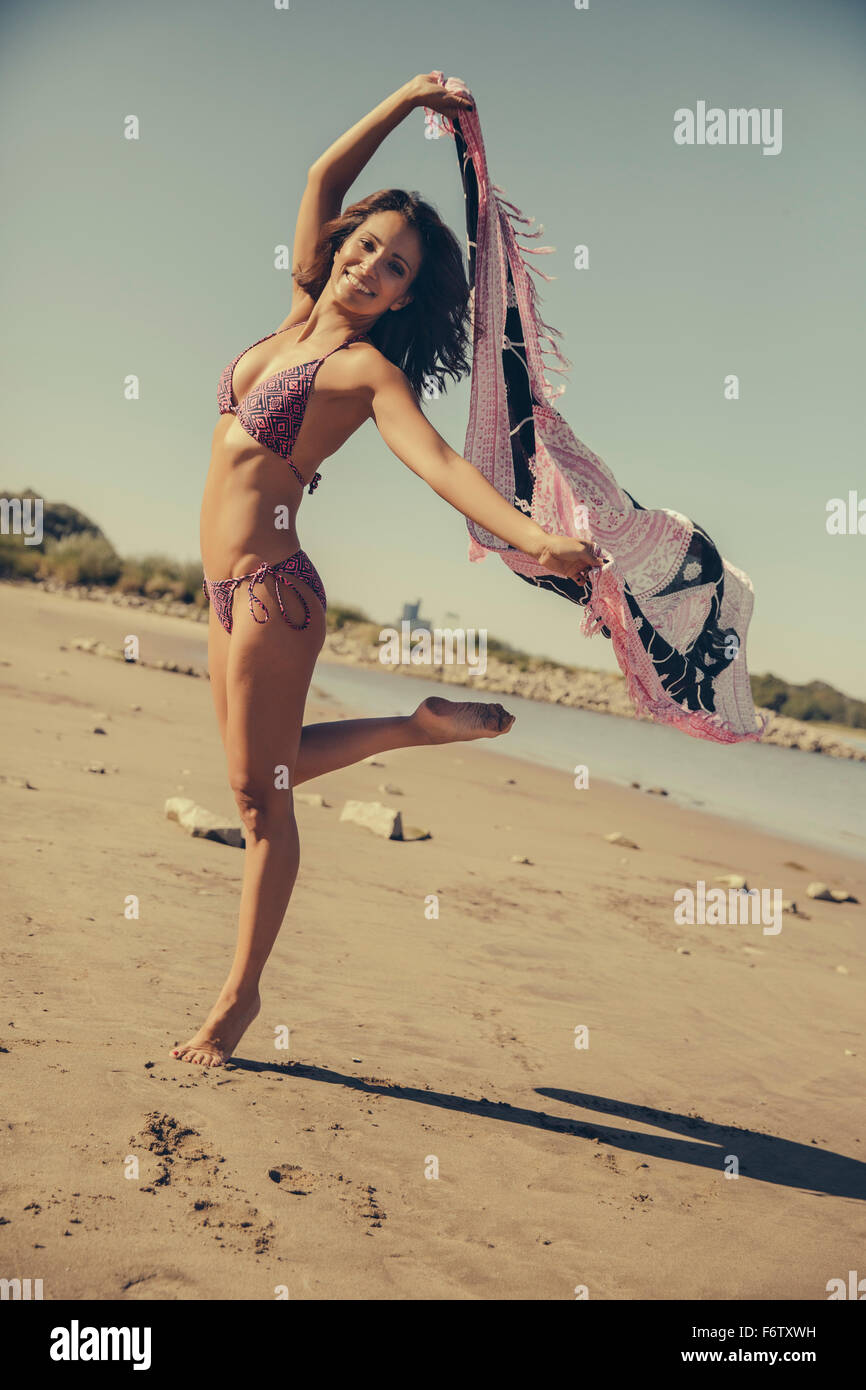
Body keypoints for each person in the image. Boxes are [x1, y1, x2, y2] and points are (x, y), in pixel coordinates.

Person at [173, 73, 600, 1067]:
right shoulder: (288, 317)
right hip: (225, 592)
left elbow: (441, 464)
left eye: (395, 267)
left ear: (406, 296)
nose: (369, 267)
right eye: (364, 247)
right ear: (336, 249)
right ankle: (413, 728)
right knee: (258, 775)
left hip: (274, 596)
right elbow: (326, 172)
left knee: (259, 803)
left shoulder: (367, 372)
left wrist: (532, 538)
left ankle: (237, 1002)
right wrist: (405, 100)